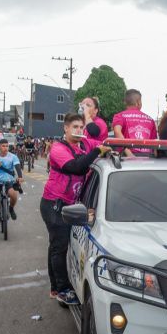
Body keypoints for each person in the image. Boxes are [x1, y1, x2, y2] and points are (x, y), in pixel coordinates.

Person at [41, 114, 111, 304]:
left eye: (81, 127)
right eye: (75, 127)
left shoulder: (85, 144)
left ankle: (55, 288)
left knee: (56, 246)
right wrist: (97, 151)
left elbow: (106, 143)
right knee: (59, 246)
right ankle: (62, 290)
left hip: (70, 204)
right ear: (65, 128)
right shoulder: (58, 148)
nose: (79, 130)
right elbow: (76, 167)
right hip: (54, 204)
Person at [112, 89, 157, 156]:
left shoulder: (119, 116)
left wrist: (128, 153)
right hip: (147, 157)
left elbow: (117, 131)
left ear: (125, 102)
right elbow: (154, 142)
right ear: (138, 102)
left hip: (126, 157)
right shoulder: (150, 119)